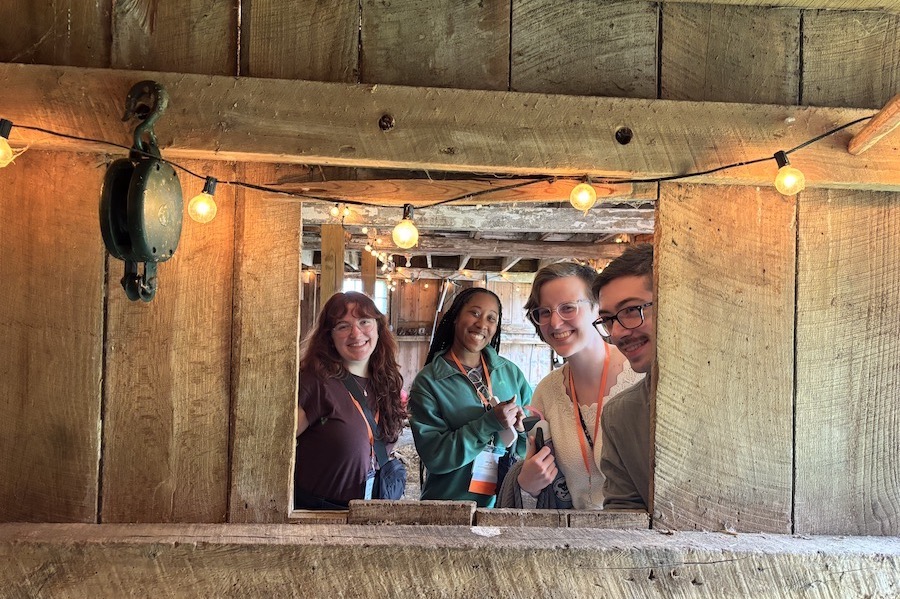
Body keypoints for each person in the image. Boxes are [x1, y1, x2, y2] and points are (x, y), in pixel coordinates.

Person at [513, 262, 641, 509]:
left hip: (638, 538)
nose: (556, 323)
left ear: (597, 308)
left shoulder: (639, 375)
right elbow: (538, 494)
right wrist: (528, 484)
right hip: (574, 539)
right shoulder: (546, 392)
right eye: (545, 312)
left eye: (568, 308)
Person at [409, 286, 532, 507]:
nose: (482, 323)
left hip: (504, 505)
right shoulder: (429, 382)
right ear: (456, 317)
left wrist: (522, 431)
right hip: (448, 507)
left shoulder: (510, 374)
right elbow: (435, 457)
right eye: (474, 313)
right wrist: (488, 423)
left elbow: (530, 447)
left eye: (491, 318)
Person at [293, 291, 405, 509]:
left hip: (370, 514)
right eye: (343, 326)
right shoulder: (314, 384)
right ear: (330, 337)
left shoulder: (386, 382)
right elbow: (275, 450)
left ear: (378, 328)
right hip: (320, 515)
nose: (356, 333)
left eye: (364, 322)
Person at [594, 243, 655, 511]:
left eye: (631, 310)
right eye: (608, 319)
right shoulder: (620, 415)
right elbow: (624, 513)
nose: (617, 333)